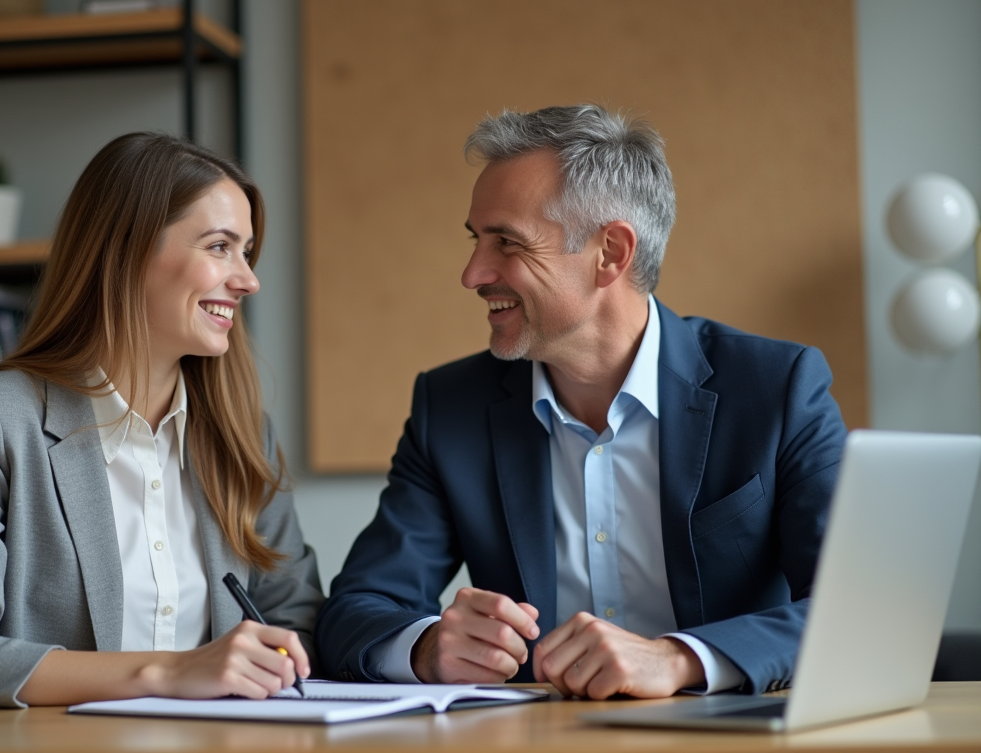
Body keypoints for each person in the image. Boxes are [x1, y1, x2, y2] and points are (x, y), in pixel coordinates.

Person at [316, 104, 845, 699]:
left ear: (611, 253)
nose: (472, 273)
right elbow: (355, 610)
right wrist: (427, 646)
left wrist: (679, 659)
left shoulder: (777, 388)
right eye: (475, 240)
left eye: (506, 242)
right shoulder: (450, 408)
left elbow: (857, 605)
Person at [0, 133, 324, 708]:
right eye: (220, 247)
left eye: (246, 252)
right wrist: (169, 673)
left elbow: (296, 621)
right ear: (127, 250)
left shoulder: (246, 433)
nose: (248, 279)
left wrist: (272, 662)